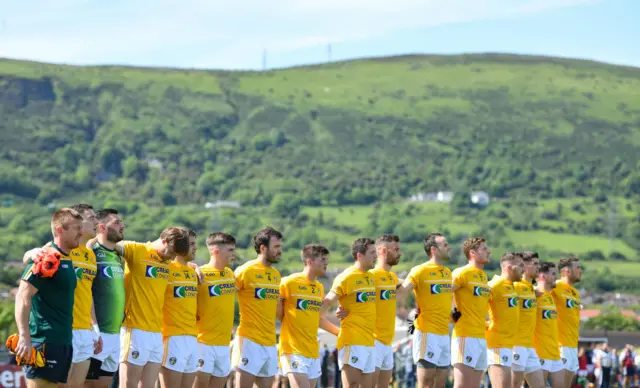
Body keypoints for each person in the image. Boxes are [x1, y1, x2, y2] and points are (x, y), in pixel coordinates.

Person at [108, 227, 190, 388]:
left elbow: (184, 267)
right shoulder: (137, 250)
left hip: (156, 332)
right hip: (135, 329)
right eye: (171, 253)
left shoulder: (167, 261)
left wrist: (194, 267)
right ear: (164, 240)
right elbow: (105, 243)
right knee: (128, 385)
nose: (172, 258)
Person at [15, 208, 84, 387]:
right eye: (76, 228)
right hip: (43, 341)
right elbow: (23, 295)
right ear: (60, 229)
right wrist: (24, 336)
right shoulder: (46, 258)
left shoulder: (66, 257)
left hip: (63, 342)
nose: (81, 233)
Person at [277, 244, 340, 388]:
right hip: (293, 349)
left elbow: (317, 318)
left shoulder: (318, 288)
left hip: (312, 351)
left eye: (327, 259)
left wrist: (339, 333)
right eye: (322, 259)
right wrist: (289, 322)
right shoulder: (289, 282)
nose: (326, 263)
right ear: (310, 262)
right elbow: (276, 308)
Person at [397, 233, 452, 388]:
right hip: (427, 334)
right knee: (426, 383)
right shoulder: (420, 270)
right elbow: (402, 291)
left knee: (440, 384)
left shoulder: (447, 273)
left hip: (444, 335)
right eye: (445, 245)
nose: (449, 247)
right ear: (434, 249)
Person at [323, 237, 377, 388]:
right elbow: (328, 301)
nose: (376, 256)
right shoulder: (346, 276)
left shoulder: (371, 277)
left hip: (369, 342)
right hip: (352, 341)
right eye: (372, 252)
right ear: (360, 255)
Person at [234, 227, 283, 388]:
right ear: (263, 248)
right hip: (249, 340)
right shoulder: (245, 271)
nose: (280, 251)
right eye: (276, 247)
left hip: (269, 343)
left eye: (280, 247)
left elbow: (279, 310)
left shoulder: (275, 275)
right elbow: (224, 296)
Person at [86, 208, 126, 388]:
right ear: (102, 227)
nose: (122, 226)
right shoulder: (91, 252)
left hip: (116, 334)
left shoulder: (118, 256)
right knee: (86, 383)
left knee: (104, 384)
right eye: (117, 223)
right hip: (97, 334)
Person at [194, 232, 237, 388]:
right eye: (230, 250)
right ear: (216, 251)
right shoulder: (200, 274)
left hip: (224, 345)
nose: (234, 254)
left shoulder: (230, 274)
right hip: (203, 343)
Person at [66, 204, 102, 388]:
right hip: (65, 330)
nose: (97, 221)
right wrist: (29, 253)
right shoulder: (62, 249)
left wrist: (95, 327)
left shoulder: (90, 256)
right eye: (91, 217)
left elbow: (87, 294)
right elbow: (33, 257)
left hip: (85, 330)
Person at [159, 229, 199, 388]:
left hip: (192, 337)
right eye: (192, 244)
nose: (195, 248)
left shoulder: (193, 272)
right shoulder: (167, 267)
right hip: (172, 337)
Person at [450, 237, 492, 388]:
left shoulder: (483, 276)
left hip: (481, 337)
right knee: (461, 386)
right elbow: (444, 293)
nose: (489, 251)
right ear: (473, 253)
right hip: (465, 336)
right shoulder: (461, 272)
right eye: (484, 249)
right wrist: (450, 314)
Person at [486, 252, 523, 388]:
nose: (523, 269)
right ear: (509, 267)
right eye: (520, 265)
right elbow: (476, 307)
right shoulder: (494, 285)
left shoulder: (511, 286)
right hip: (497, 344)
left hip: (508, 345)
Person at [370, 235, 402, 388]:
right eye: (396, 250)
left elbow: (404, 284)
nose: (399, 253)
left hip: (388, 342)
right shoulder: (371, 276)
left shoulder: (392, 278)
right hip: (373, 340)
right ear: (383, 251)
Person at [512, 251, 545, 388]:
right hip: (516, 345)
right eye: (535, 264)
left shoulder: (531, 288)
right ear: (524, 266)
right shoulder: (516, 286)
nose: (539, 267)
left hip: (529, 346)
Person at [553, 256, 582, 388]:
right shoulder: (555, 286)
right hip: (561, 345)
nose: (580, 271)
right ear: (566, 271)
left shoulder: (575, 293)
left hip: (572, 345)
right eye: (577, 267)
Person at [533, 262, 564, 388]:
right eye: (552, 273)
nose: (555, 276)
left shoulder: (551, 296)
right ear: (542, 276)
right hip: (540, 353)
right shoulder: (534, 295)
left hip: (555, 353)